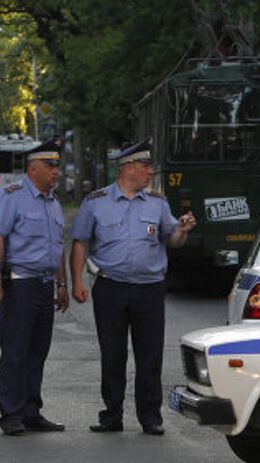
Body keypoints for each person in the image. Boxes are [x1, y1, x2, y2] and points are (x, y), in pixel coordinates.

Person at [70, 137, 196, 436]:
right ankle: (111, 415)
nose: (150, 172)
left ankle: (150, 416)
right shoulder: (96, 202)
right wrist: (76, 280)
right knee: (112, 354)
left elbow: (173, 240)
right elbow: (80, 242)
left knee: (149, 356)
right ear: (128, 169)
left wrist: (182, 231)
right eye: (145, 166)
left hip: (149, 289)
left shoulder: (157, 203)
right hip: (110, 288)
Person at [0, 137, 69, 436]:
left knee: (37, 353)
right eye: (50, 165)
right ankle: (11, 414)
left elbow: (57, 247)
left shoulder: (54, 203)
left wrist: (62, 283)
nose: (56, 171)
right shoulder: (13, 196)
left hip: (45, 285)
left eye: (57, 166)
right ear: (33, 169)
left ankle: (32, 411)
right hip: (19, 285)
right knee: (16, 352)